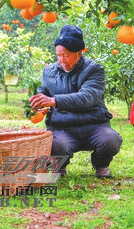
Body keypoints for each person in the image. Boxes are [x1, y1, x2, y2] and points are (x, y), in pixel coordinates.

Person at [29, 25, 122, 178]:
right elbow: (42, 92)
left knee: (110, 140)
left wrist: (53, 101)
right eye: (58, 55)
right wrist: (37, 105)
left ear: (79, 53)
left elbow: (87, 97)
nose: (61, 60)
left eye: (66, 55)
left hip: (94, 125)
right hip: (62, 127)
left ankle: (101, 164)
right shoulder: (48, 71)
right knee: (55, 144)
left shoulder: (94, 70)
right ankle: (59, 166)